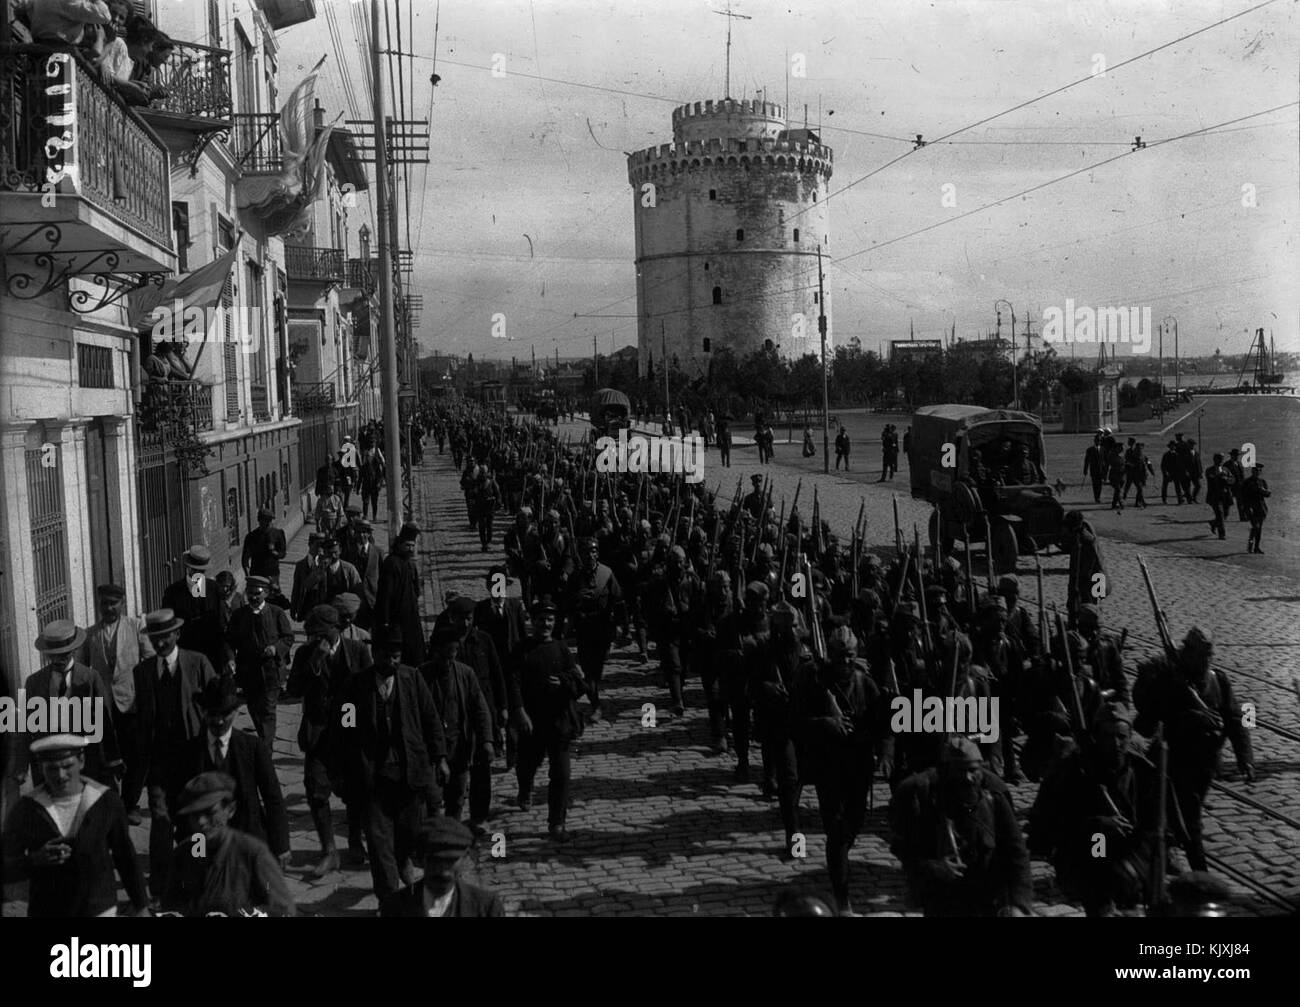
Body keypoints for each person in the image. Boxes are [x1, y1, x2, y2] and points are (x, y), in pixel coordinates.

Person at [337, 626, 449, 908]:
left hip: (409, 775)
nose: (393, 663)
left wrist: (440, 758)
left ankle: (403, 861)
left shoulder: (412, 679)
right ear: (375, 654)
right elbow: (343, 732)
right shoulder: (356, 686)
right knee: (378, 842)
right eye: (387, 657)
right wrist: (343, 770)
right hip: (373, 778)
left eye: (397, 657)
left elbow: (430, 719)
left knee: (409, 834)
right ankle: (388, 899)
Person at [1133, 627, 1253, 872]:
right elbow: (1148, 718)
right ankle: (1200, 873)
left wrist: (1245, 757)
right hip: (1174, 759)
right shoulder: (1169, 680)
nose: (1205, 661)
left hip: (1206, 763)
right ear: (1186, 654)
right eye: (1200, 655)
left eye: (1209, 656)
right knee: (1189, 818)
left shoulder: (1218, 680)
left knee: (1183, 814)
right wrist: (1187, 712)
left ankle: (1168, 850)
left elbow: (1237, 718)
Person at [792, 626, 893, 915]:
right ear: (830, 655)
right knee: (836, 831)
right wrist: (826, 723)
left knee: (855, 823)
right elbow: (796, 723)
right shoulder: (815, 683)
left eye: (849, 656)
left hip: (859, 767)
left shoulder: (866, 684)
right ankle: (842, 899)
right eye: (838, 656)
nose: (844, 662)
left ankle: (838, 859)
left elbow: (885, 724)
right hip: (828, 767)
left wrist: (885, 753)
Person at [1028, 704, 1164, 916]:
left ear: (1129, 737)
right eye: (1107, 736)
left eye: (1121, 737)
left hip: (1133, 856)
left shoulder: (1143, 773)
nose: (1115, 743)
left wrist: (1134, 864)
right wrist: (1097, 824)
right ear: (1095, 737)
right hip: (1092, 849)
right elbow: (1049, 823)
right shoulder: (1073, 769)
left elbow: (1155, 826)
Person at [2, 734, 149, 917]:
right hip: (47, 911)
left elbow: (125, 856)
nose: (61, 775)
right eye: (52, 769)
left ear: (81, 761)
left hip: (99, 909)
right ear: (41, 768)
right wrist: (36, 860)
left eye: (67, 766)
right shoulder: (27, 809)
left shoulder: (105, 802)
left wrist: (142, 906)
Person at [889, 737, 1034, 917]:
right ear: (946, 770)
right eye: (960, 771)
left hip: (988, 892)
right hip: (943, 897)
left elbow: (1016, 851)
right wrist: (933, 867)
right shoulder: (919, 794)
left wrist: (1018, 903)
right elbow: (902, 848)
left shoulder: (994, 792)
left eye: (973, 770)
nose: (968, 778)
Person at [132, 608, 218, 901]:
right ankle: (158, 890)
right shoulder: (142, 672)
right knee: (160, 822)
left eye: (165, 637)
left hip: (193, 759)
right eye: (155, 638)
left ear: (177, 634)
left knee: (194, 824)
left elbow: (220, 700)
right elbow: (141, 721)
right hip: (159, 763)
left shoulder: (197, 663)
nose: (160, 644)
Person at [285, 604, 372, 877]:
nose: (315, 639)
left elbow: (368, 689)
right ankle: (329, 850)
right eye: (311, 634)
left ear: (336, 630)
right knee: (315, 789)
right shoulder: (304, 654)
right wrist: (314, 664)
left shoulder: (357, 651)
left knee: (355, 789)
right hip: (319, 733)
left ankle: (355, 841)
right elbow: (293, 690)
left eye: (320, 634)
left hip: (350, 730)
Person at [174, 677, 290, 870]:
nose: (218, 721)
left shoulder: (252, 747)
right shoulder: (190, 752)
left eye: (225, 714)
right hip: (204, 843)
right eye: (212, 714)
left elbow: (273, 797)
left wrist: (281, 845)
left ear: (236, 712)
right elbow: (179, 805)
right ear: (203, 713)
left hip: (247, 838)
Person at [162, 771, 295, 917]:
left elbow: (283, 910)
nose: (201, 822)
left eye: (209, 813)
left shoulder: (253, 853)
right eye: (195, 815)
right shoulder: (184, 854)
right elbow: (171, 905)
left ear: (230, 810)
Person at [77, 584, 155, 824]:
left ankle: (130, 804)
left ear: (122, 603)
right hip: (103, 706)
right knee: (108, 756)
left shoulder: (136, 627)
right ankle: (112, 802)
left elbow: (150, 660)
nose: (108, 608)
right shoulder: (90, 635)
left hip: (131, 703)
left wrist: (145, 695)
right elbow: (82, 669)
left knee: (136, 756)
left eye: (113, 603)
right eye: (104, 604)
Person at [509, 600, 586, 843]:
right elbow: (513, 683)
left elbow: (577, 682)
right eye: (541, 619)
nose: (545, 624)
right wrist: (519, 712)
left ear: (555, 623)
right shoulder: (522, 649)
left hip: (558, 721)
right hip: (531, 721)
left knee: (561, 773)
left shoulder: (561, 648)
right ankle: (525, 788)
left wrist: (563, 682)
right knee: (527, 765)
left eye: (550, 619)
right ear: (532, 621)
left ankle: (557, 823)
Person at [19, 619, 122, 792]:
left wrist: (113, 761)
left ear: (74, 649)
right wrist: (21, 767)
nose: (58, 659)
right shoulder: (34, 683)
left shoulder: (90, 678)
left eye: (64, 653)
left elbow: (105, 724)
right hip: (49, 769)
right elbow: (25, 729)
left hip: (86, 766)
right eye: (53, 654)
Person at [420, 626, 494, 823]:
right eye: (442, 655)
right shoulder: (421, 676)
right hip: (431, 751)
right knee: (433, 800)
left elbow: (480, 708)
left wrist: (486, 740)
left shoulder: (465, 674)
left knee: (457, 797)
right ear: (434, 652)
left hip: (459, 746)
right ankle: (434, 839)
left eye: (451, 654)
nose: (447, 661)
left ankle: (453, 836)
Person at [382, 816, 506, 917]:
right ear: (420, 860)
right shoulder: (395, 907)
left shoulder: (486, 907)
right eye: (436, 861)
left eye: (451, 861)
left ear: (465, 858)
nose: (443, 872)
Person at [223, 575, 293, 747]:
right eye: (250, 593)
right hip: (248, 671)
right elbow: (229, 641)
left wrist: (276, 648)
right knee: (254, 709)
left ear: (266, 593)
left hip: (271, 672)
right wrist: (231, 660)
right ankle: (264, 740)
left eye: (257, 593)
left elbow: (288, 637)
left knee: (268, 710)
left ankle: (265, 749)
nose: (253, 597)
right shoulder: (239, 615)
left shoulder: (277, 613)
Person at [564, 535, 622, 723]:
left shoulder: (607, 573)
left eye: (594, 551)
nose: (590, 555)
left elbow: (618, 599)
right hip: (584, 630)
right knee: (589, 671)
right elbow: (566, 602)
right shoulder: (575, 577)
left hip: (603, 629)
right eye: (587, 551)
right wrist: (577, 599)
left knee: (596, 670)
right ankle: (595, 705)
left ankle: (592, 693)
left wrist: (620, 625)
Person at [160, 545, 226, 674]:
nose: (198, 574)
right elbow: (167, 624)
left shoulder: (214, 589)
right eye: (195, 570)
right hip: (186, 649)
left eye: (201, 571)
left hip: (210, 650)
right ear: (188, 567)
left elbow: (221, 621)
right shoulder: (173, 592)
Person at [374, 521, 425, 667]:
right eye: (407, 545)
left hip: (410, 616)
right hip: (396, 620)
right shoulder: (392, 563)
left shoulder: (409, 564)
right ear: (399, 545)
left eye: (413, 546)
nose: (410, 549)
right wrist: (385, 621)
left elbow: (416, 590)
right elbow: (385, 595)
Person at [1063, 510, 1107, 625]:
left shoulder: (1084, 541)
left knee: (1087, 612)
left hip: (1089, 583)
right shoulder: (1081, 537)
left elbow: (1085, 570)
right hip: (1089, 582)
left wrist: (1075, 590)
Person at [242, 506, 287, 581]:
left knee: (275, 592)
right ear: (259, 520)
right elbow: (245, 559)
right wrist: (248, 576)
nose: (269, 523)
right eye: (266, 520)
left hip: (272, 574)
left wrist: (275, 553)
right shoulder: (251, 537)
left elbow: (283, 553)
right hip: (256, 574)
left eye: (270, 520)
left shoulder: (278, 534)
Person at [290, 532, 325, 620]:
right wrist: (293, 608)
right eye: (317, 544)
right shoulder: (301, 565)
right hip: (306, 602)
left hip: (321, 602)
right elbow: (296, 588)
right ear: (310, 544)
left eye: (322, 545)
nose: (319, 548)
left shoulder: (325, 564)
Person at [1240, 463, 1270, 554]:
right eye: (1255, 470)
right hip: (1251, 508)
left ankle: (1256, 547)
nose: (1257, 472)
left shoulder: (1262, 481)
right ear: (1252, 471)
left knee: (1259, 528)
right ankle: (1251, 544)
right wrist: (1246, 508)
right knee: (1256, 527)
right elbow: (1242, 496)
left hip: (1261, 509)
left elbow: (1267, 494)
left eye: (1259, 471)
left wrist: (1264, 491)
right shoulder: (1247, 482)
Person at [1204, 452, 1234, 541]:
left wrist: (1227, 479)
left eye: (1222, 459)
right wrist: (1222, 477)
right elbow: (1212, 479)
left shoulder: (1226, 469)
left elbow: (1232, 480)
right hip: (1215, 496)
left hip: (1226, 496)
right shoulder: (1210, 470)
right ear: (1214, 460)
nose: (1221, 461)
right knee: (1220, 515)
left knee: (1225, 514)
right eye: (1219, 459)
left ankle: (1214, 523)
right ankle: (1222, 534)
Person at [1160, 440, 1184, 505]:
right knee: (1165, 487)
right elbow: (1163, 465)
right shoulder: (1166, 455)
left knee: (1178, 487)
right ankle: (1164, 499)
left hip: (1176, 474)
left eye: (1173, 446)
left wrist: (1180, 473)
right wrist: (1165, 473)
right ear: (1169, 447)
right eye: (1171, 446)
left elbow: (1180, 465)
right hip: (1168, 473)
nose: (1172, 447)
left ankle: (1180, 499)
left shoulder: (1178, 455)